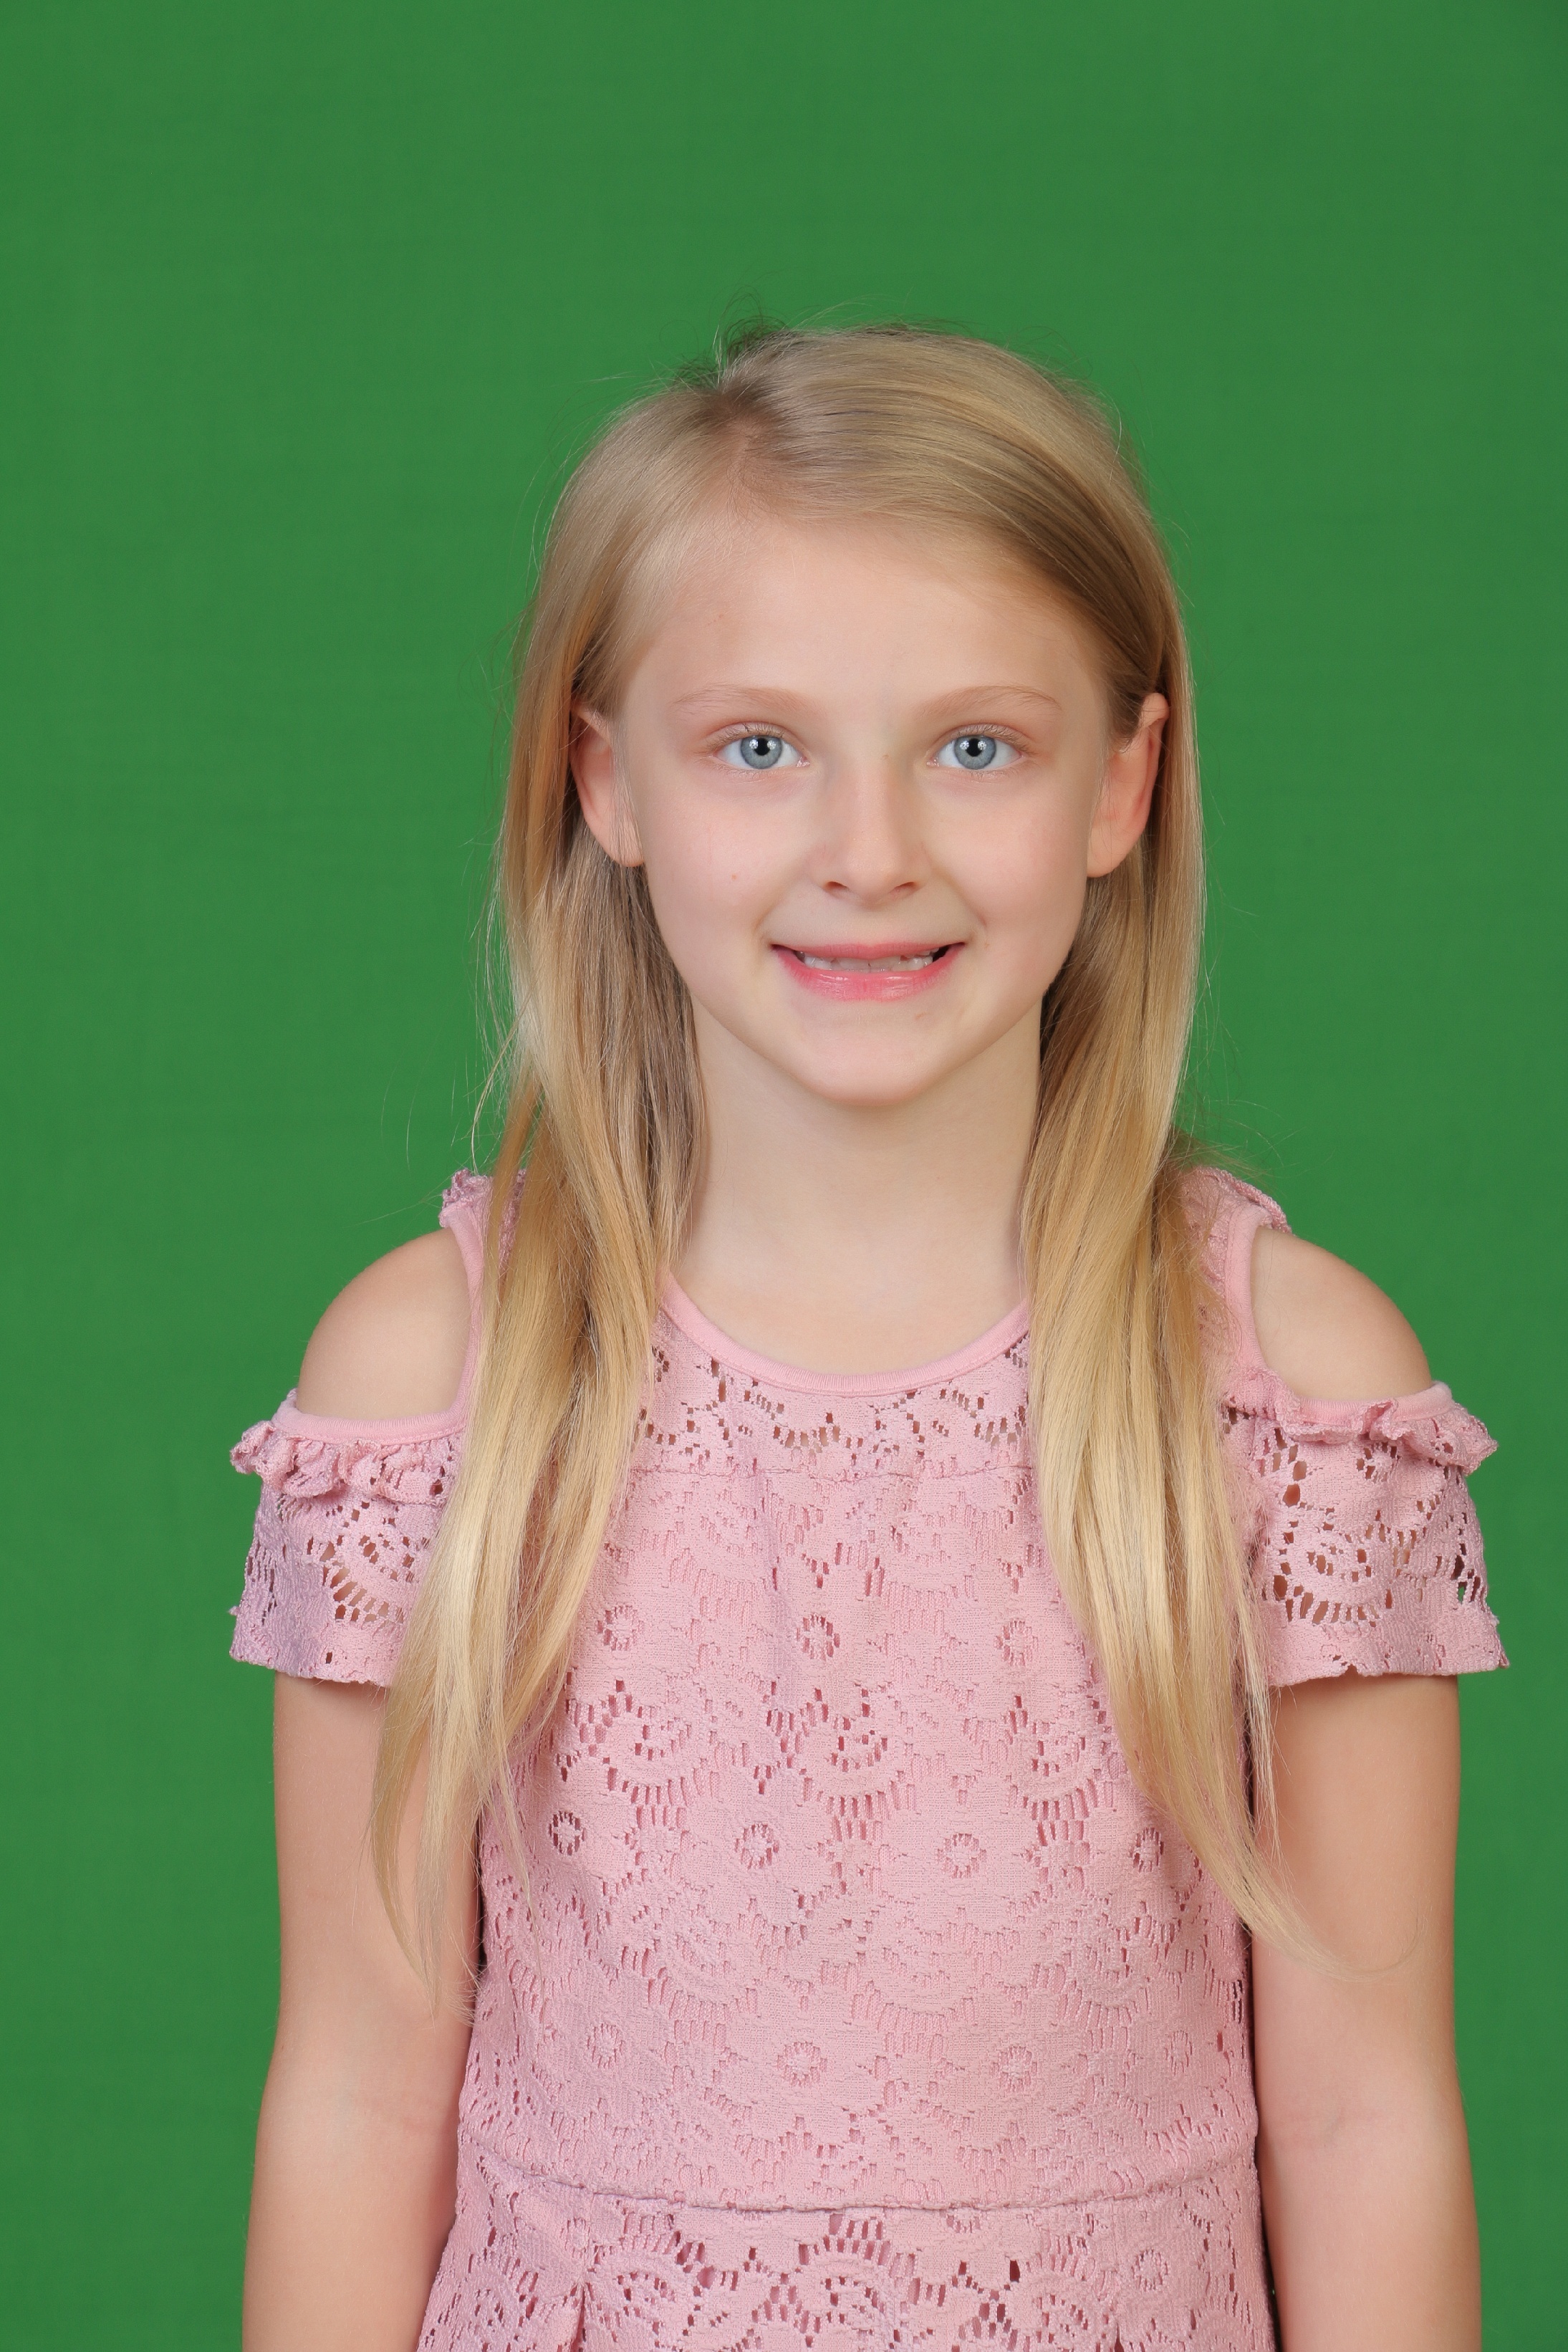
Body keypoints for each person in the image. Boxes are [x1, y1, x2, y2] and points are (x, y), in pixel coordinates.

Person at [229, 325, 1504, 2352]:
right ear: (605, 780)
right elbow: (357, 2098)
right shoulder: (437, 1390)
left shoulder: (1286, 1395)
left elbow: (1364, 2121)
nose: (871, 849)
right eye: (761, 748)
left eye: (975, 748)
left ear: (1122, 784)